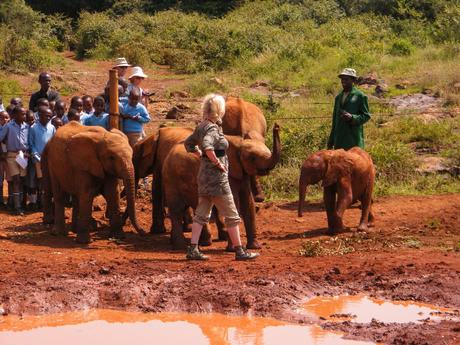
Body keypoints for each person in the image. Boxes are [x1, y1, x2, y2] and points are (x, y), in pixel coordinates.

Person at [183, 94, 259, 261]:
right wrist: (217, 162)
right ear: (219, 110)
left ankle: (193, 249)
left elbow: (188, 144)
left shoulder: (201, 126)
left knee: (201, 214)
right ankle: (240, 250)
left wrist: (200, 155)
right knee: (232, 215)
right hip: (217, 179)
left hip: (203, 176)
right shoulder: (212, 128)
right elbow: (209, 146)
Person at [327, 68, 371, 150]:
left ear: (353, 80)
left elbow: (366, 116)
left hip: (353, 140)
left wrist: (352, 118)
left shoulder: (360, 96)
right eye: (342, 79)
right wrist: (331, 141)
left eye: (346, 79)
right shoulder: (338, 98)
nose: (343, 81)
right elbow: (334, 121)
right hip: (339, 141)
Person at [0, 106, 29, 215]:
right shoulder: (8, 126)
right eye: (22, 114)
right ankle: (17, 206)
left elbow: (27, 141)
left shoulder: (26, 127)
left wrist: (27, 151)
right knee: (16, 179)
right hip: (12, 156)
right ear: (15, 115)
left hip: (23, 156)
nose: (24, 116)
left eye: (25, 114)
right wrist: (2, 152)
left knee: (22, 180)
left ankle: (19, 203)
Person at [29, 107, 55, 210]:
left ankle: (48, 201)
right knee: (40, 180)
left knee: (49, 180)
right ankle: (40, 201)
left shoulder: (52, 127)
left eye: (50, 116)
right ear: (39, 115)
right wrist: (37, 156)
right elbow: (31, 144)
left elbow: (54, 142)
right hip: (38, 159)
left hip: (50, 159)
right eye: (46, 115)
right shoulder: (33, 128)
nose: (48, 118)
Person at [0, 111, 9, 207]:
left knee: (10, 179)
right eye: (2, 118)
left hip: (9, 156)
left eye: (7, 118)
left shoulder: (10, 127)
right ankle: (1, 200)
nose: (5, 120)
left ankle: (10, 199)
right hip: (1, 158)